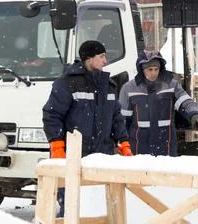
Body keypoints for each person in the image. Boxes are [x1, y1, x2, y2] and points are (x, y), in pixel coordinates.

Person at [42, 40, 132, 217]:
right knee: (71, 209)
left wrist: (124, 143)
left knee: (101, 209)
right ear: (89, 59)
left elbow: (116, 119)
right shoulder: (67, 83)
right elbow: (52, 115)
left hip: (102, 157)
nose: (105, 61)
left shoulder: (109, 86)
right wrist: (57, 146)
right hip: (74, 158)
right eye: (101, 56)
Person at [118, 50, 198, 156]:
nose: (153, 73)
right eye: (150, 69)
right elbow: (122, 120)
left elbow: (185, 101)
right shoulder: (129, 88)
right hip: (138, 150)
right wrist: (123, 143)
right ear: (142, 70)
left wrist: (194, 114)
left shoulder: (171, 85)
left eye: (156, 69)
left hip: (166, 149)